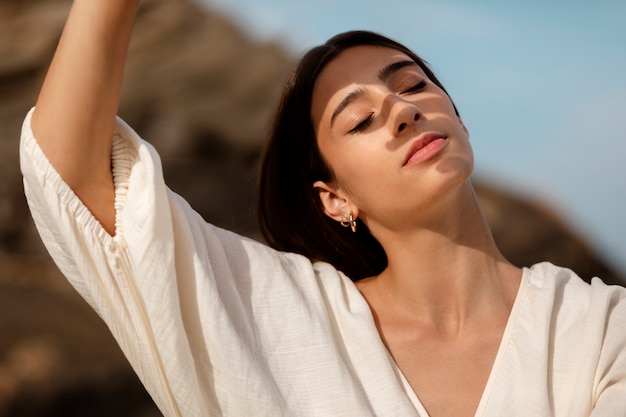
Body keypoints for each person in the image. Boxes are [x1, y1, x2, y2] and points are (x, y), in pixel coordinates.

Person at [19, 1, 625, 416]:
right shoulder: (276, 315)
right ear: (334, 199)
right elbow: (72, 178)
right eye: (360, 119)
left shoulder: (599, 331)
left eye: (413, 85)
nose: (401, 109)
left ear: (457, 119)